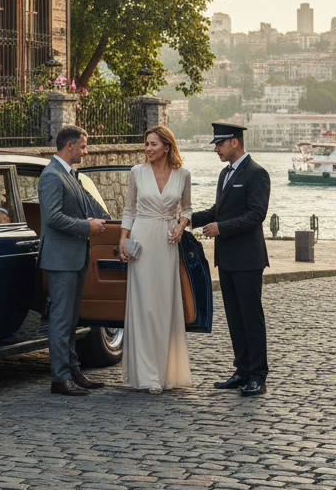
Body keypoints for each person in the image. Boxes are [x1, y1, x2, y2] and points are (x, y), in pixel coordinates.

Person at [190, 122, 271, 397]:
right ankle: (242, 370)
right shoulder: (225, 174)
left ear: (234, 142)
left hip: (248, 259)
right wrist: (189, 218)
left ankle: (257, 376)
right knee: (235, 319)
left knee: (251, 317)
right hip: (226, 259)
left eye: (219, 144)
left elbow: (256, 214)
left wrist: (221, 228)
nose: (216, 149)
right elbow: (218, 210)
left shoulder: (257, 173)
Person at [118, 125, 194, 393]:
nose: (148, 149)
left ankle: (162, 374)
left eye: (153, 144)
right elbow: (129, 208)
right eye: (146, 144)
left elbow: (188, 208)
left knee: (164, 307)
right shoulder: (136, 173)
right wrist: (122, 238)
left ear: (166, 146)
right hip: (142, 240)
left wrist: (181, 224)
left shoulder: (182, 175)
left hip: (166, 242)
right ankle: (147, 375)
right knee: (144, 307)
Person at [38, 125, 107, 397]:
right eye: (83, 146)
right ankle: (60, 378)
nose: (85, 151)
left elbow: (88, 208)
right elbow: (52, 217)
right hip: (61, 260)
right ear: (69, 145)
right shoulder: (52, 175)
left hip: (74, 258)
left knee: (71, 319)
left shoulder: (71, 175)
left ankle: (74, 371)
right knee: (60, 320)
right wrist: (86, 227)